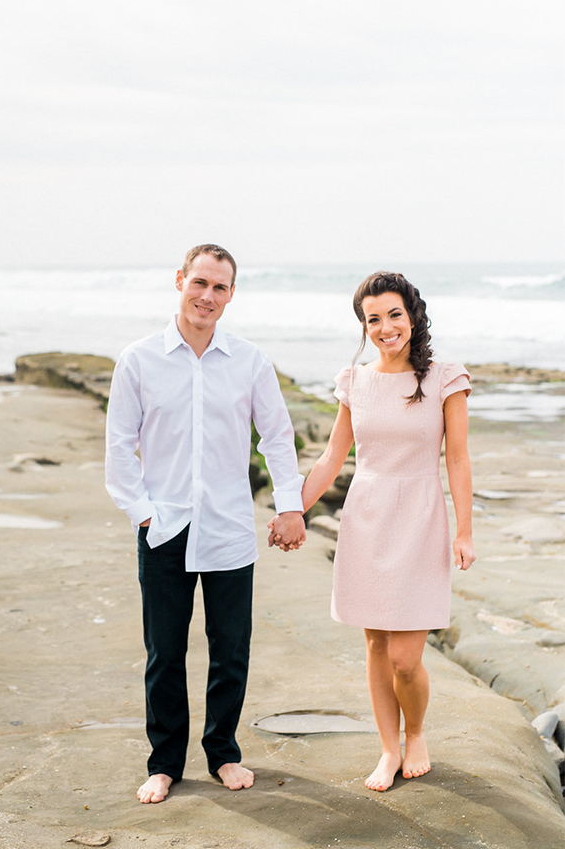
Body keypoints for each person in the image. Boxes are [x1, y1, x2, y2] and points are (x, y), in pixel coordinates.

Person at [105, 244, 306, 804]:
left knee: (230, 649)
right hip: (162, 527)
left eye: (220, 288)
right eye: (200, 283)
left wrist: (289, 504)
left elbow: (278, 437)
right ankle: (165, 762)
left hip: (229, 527)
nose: (207, 296)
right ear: (179, 281)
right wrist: (143, 513)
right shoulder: (139, 359)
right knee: (164, 653)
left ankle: (223, 753)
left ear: (231, 294)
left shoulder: (249, 360)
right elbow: (119, 446)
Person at [270, 270, 475, 792]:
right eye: (373, 319)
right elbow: (332, 457)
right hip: (366, 517)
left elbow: (458, 461)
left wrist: (465, 531)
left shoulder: (444, 379)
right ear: (364, 326)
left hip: (421, 516)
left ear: (413, 316)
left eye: (394, 315)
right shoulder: (355, 381)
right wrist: (292, 509)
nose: (386, 327)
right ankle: (388, 749)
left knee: (407, 659)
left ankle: (417, 735)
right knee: (376, 645)